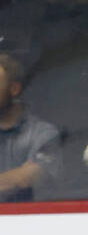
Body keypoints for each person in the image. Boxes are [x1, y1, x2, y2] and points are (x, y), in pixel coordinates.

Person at [0, 54, 62, 202]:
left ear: (14, 89)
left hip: (31, 220)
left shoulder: (44, 133)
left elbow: (28, 177)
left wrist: (21, 176)